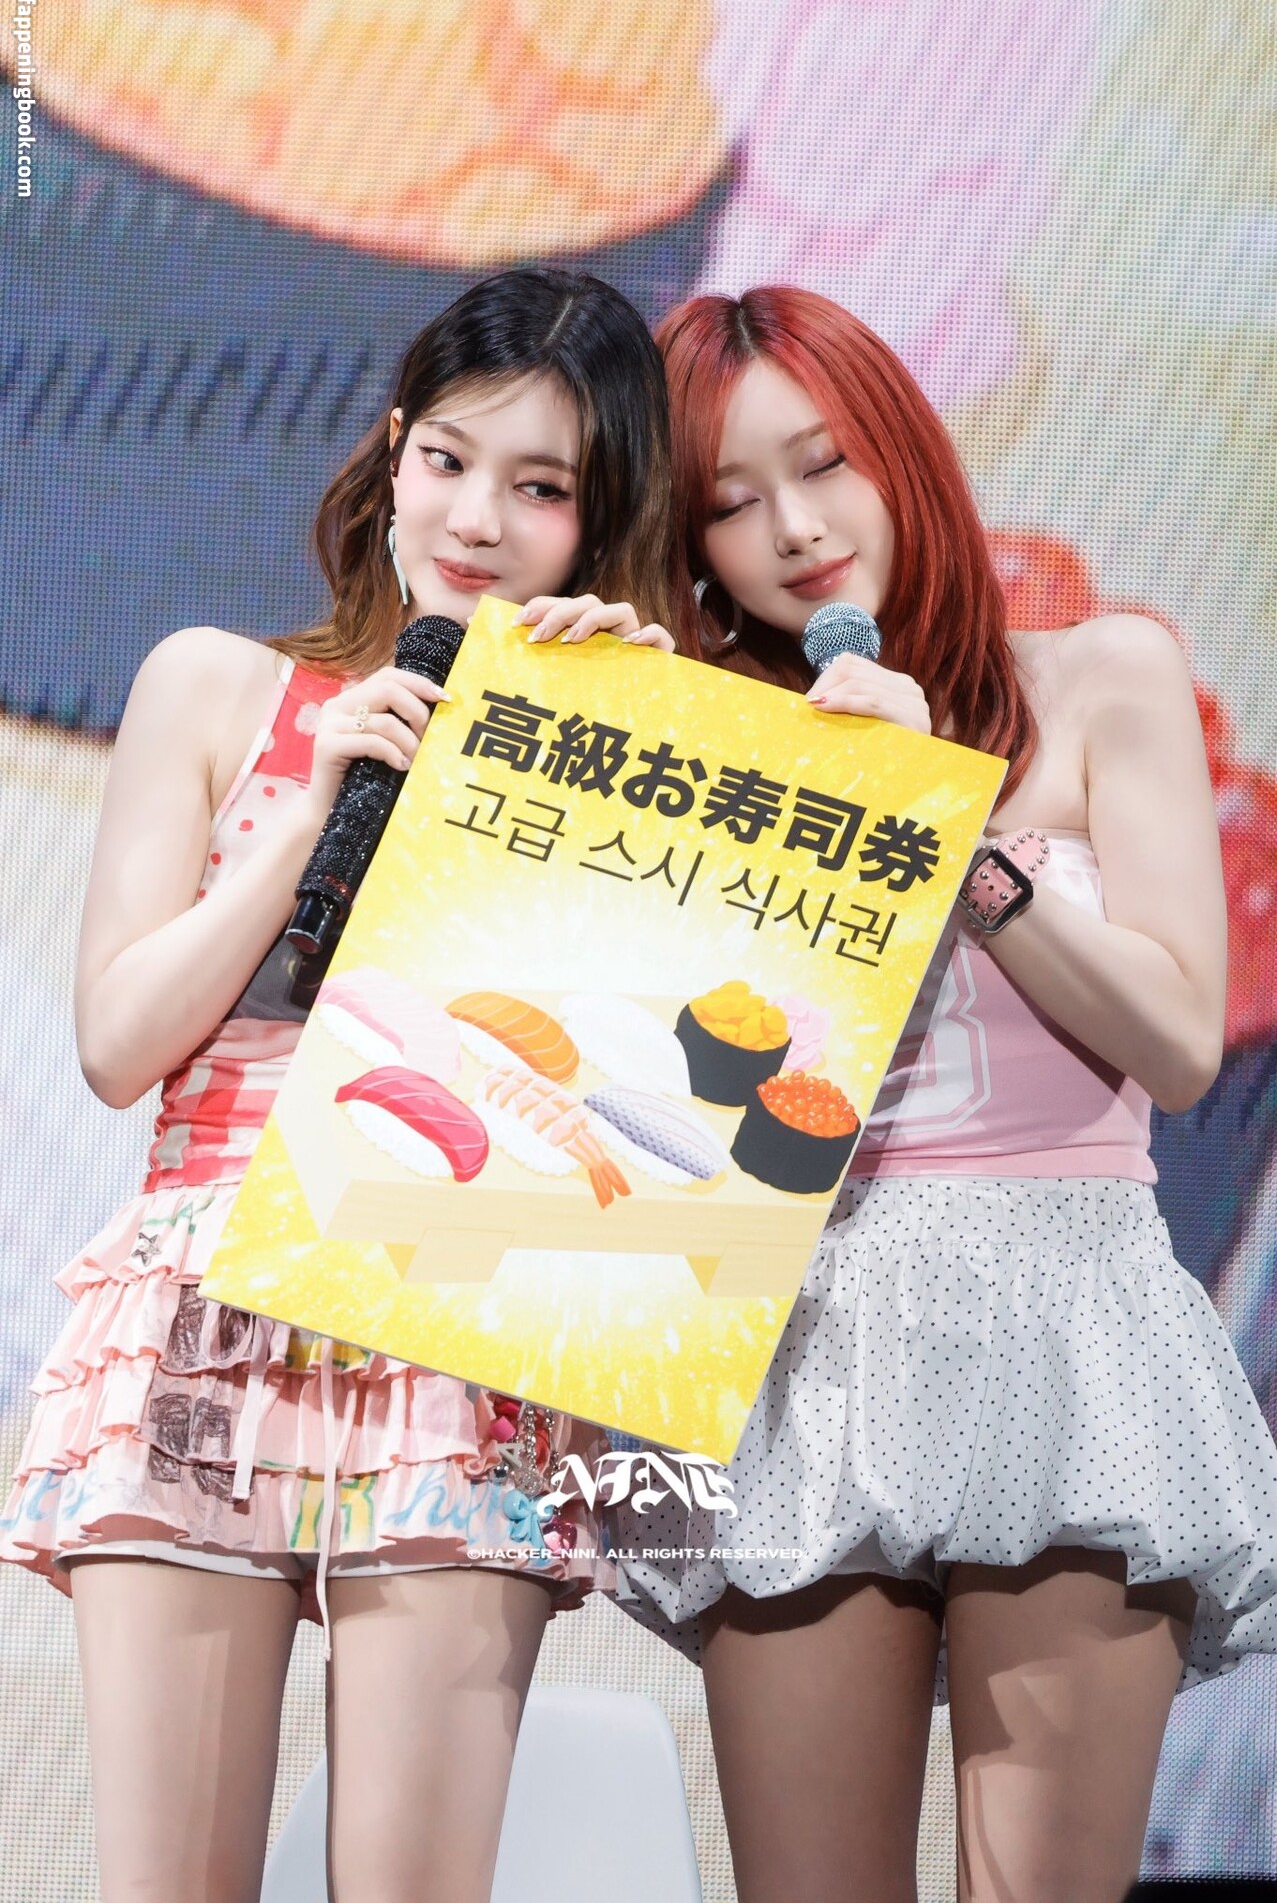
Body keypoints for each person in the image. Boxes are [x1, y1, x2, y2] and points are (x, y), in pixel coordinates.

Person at [0, 268, 681, 1903]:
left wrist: (638, 744)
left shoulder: (618, 747)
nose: (476, 518)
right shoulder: (214, 684)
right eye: (448, 459)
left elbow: (654, 1116)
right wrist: (311, 808)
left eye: (540, 488)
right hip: (204, 1299)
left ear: (598, 519)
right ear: (390, 451)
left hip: (457, 1311)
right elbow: (117, 1042)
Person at [607, 286, 1277, 1903]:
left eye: (823, 463)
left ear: (901, 448)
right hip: (804, 1338)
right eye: (730, 502)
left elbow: (1178, 1041)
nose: (794, 529)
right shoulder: (706, 750)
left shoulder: (1103, 675)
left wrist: (945, 824)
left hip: (1061, 1313)